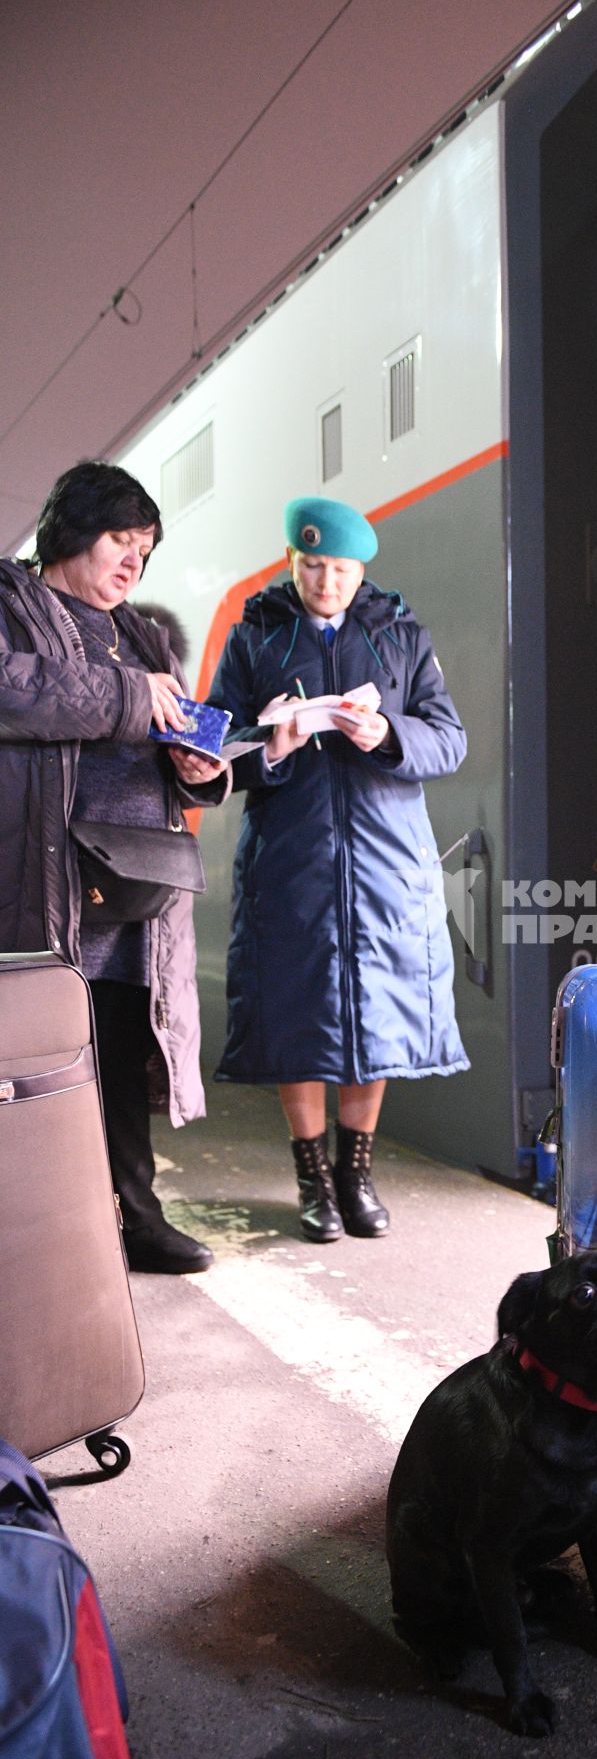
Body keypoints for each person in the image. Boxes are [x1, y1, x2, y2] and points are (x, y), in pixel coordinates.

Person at [206, 496, 469, 1242]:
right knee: (301, 1015)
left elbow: (449, 740)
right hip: (292, 859)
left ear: (363, 571)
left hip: (386, 861)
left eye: (342, 570)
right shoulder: (256, 633)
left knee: (375, 1016)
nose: (327, 582)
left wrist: (386, 731)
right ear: (292, 561)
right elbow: (216, 741)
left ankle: (356, 1174)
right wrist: (275, 745)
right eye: (313, 566)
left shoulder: (398, 633)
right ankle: (312, 1176)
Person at [0, 461, 230, 1273]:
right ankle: (47, 1233)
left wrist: (200, 769)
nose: (132, 564)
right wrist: (134, 699)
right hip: (50, 880)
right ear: (71, 529)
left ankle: (136, 1218)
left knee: (126, 1056)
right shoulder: (10, 603)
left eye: (145, 551)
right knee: (44, 1062)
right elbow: (16, 690)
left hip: (139, 884)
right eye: (120, 542)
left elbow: (167, 741)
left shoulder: (142, 631)